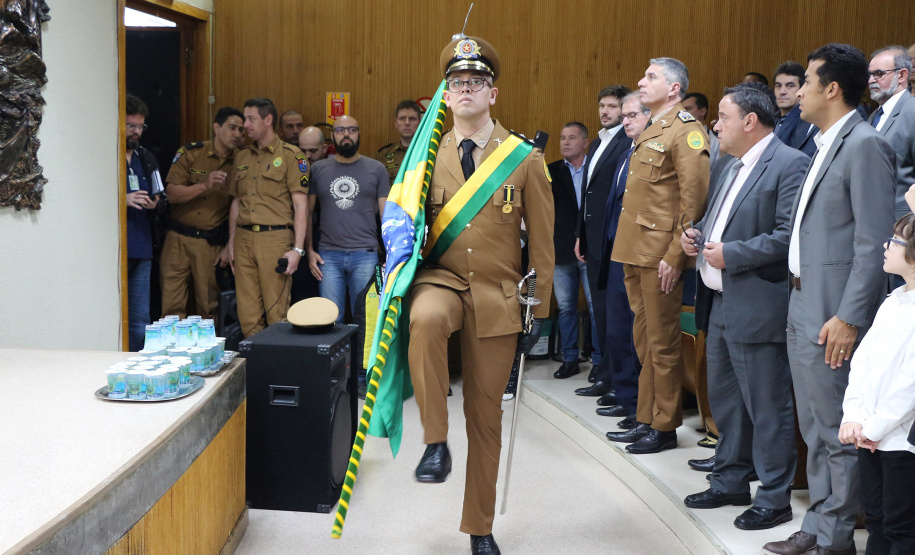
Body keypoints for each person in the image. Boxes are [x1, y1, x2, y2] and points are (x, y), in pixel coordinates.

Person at [408, 35, 554, 555]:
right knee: (424, 321)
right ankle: (434, 441)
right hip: (441, 280)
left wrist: (540, 306)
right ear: (445, 97)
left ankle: (480, 527)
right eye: (456, 83)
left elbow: (542, 240)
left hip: (499, 294)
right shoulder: (424, 156)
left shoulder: (524, 158)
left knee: (486, 417)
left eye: (475, 83)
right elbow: (405, 221)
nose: (465, 90)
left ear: (493, 93)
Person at [763, 43, 896, 555]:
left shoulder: (863, 145)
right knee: (813, 424)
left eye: (808, 85)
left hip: (833, 311)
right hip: (802, 300)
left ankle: (836, 535)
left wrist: (850, 316)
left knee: (837, 424)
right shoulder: (824, 142)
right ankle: (819, 522)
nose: (797, 95)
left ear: (832, 89)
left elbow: (872, 240)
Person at [679, 83, 806, 531]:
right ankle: (730, 479)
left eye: (724, 118)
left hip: (758, 303)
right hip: (718, 302)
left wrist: (731, 253)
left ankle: (774, 497)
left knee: (767, 408)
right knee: (727, 403)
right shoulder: (730, 165)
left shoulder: (790, 164)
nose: (716, 125)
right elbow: (720, 221)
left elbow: (788, 236)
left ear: (750, 122)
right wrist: (696, 235)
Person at [606, 57, 710, 454]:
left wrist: (675, 254)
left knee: (664, 344)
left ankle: (664, 425)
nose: (640, 81)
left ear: (673, 88)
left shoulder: (686, 132)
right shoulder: (652, 127)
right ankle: (646, 417)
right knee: (645, 341)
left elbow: (693, 200)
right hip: (635, 250)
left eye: (650, 77)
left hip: (660, 255)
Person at [840, 214, 915, 555]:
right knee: (876, 520)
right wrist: (854, 416)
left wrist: (875, 426)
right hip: (869, 435)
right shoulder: (893, 300)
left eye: (896, 241)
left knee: (902, 527)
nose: (886, 246)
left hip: (899, 439)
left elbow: (909, 385)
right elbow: (862, 364)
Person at [306, 114, 390, 398]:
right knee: (331, 318)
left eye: (352, 129)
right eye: (341, 130)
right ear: (332, 136)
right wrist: (307, 251)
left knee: (365, 320)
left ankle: (363, 376)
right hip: (327, 255)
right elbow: (307, 213)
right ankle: (333, 377)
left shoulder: (376, 169)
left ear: (358, 133)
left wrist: (389, 255)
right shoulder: (318, 169)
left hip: (365, 255)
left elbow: (386, 215)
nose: (346, 135)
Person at [226, 97, 310, 338]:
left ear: (268, 120)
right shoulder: (242, 157)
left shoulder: (292, 156)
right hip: (243, 239)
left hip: (275, 239)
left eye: (251, 119)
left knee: (277, 313)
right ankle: (256, 371)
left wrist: (298, 250)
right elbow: (236, 201)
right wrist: (231, 241)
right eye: (245, 119)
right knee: (247, 315)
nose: (246, 124)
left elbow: (301, 206)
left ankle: (278, 372)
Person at [593, 92, 649, 424]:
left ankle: (640, 405)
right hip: (615, 251)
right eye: (624, 116)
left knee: (636, 332)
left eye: (632, 115)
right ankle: (626, 395)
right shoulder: (626, 154)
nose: (625, 121)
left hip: (639, 254)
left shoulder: (655, 153)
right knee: (617, 329)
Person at [572, 84, 631, 395]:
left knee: (613, 314)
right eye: (602, 106)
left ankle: (613, 378)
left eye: (612, 106)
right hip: (592, 240)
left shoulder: (626, 142)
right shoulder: (596, 143)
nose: (606, 111)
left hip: (614, 240)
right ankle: (604, 372)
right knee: (600, 310)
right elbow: (588, 193)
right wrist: (580, 235)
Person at [160, 107, 243, 319]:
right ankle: (172, 350)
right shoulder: (191, 153)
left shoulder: (241, 163)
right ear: (217, 127)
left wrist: (230, 245)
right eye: (232, 128)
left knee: (209, 307)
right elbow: (171, 194)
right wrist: (204, 186)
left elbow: (240, 206)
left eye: (241, 130)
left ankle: (208, 352)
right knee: (171, 304)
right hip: (177, 240)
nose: (237, 134)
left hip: (209, 244)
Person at [548, 122, 590, 379]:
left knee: (597, 308)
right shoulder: (550, 171)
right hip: (561, 249)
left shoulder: (596, 167)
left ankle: (598, 360)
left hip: (589, 248)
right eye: (562, 138)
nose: (565, 142)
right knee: (565, 306)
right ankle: (570, 358)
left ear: (585, 142)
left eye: (571, 138)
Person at [125, 94, 162, 351]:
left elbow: (162, 196)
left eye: (140, 126)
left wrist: (155, 203)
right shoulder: (103, 155)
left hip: (143, 247)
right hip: (115, 250)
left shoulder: (146, 157)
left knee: (140, 321)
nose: (137, 131)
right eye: (131, 126)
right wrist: (122, 199)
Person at [867, 46, 915, 220]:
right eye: (870, 74)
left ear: (901, 75)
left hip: (902, 224)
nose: (871, 80)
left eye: (878, 74)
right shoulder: (873, 116)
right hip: (873, 220)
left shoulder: (912, 111)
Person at [290, 125, 329, 304]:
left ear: (324, 149)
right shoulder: (290, 171)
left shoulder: (331, 171)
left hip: (327, 243)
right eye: (302, 150)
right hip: (297, 243)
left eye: (313, 151)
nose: (307, 156)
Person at [773, 61, 819, 156]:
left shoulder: (805, 121)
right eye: (778, 86)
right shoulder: (771, 119)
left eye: (790, 86)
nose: (782, 91)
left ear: (801, 89)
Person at [377, 100, 422, 183]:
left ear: (419, 123)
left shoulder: (428, 152)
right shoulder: (384, 154)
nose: (407, 123)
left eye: (412, 119)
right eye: (402, 118)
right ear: (396, 123)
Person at [682, 92, 721, 166]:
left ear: (702, 111)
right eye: (681, 110)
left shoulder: (716, 142)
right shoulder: (673, 138)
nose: (682, 114)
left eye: (687, 109)